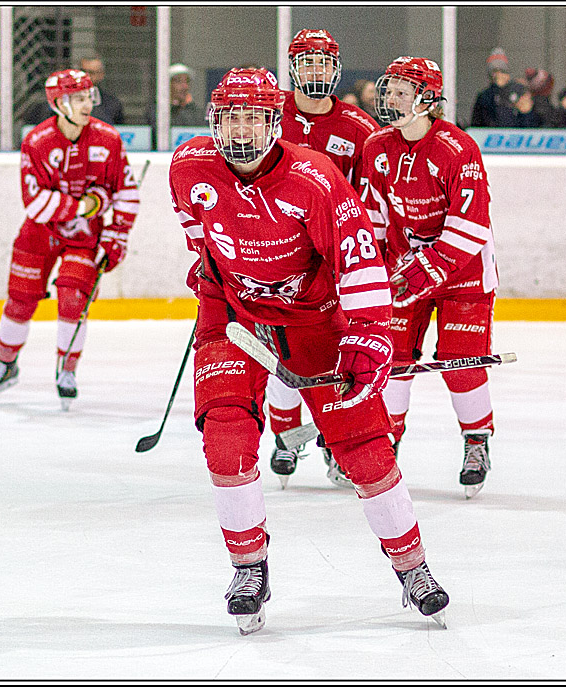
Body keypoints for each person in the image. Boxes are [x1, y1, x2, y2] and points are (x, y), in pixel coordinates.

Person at [168, 66, 449, 634]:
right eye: (231, 117)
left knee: (366, 449)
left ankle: (412, 566)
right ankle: (249, 567)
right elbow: (199, 237)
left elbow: (359, 259)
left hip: (314, 321)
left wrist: (368, 339)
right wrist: (211, 277)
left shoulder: (313, 178)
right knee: (225, 438)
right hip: (233, 316)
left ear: (275, 121)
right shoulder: (188, 167)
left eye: (252, 117)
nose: (241, 130)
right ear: (214, 121)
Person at [361, 56, 498, 499]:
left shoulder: (459, 148)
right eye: (390, 89)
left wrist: (427, 268)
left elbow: (471, 226)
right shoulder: (377, 147)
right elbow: (374, 217)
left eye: (403, 90)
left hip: (465, 274)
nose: (391, 98)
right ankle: (386, 444)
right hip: (405, 269)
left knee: (462, 363)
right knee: (393, 361)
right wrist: (371, 270)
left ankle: (476, 441)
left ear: (428, 98)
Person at [0, 69, 139, 409]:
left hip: (84, 237)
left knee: (73, 299)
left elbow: (127, 192)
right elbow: (35, 204)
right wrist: (89, 204)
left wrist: (116, 237)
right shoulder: (37, 142)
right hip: (39, 233)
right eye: (77, 98)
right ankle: (5, 366)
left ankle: (67, 370)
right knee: (20, 299)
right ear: (58, 103)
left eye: (88, 97)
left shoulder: (109, 139)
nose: (86, 104)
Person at [267, 28, 379, 488]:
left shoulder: (359, 128)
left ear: (336, 70)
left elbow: (372, 200)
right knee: (276, 352)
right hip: (271, 257)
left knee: (335, 355)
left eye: (324, 62)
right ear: (293, 67)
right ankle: (284, 436)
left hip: (332, 262)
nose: (316, 71)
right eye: (308, 62)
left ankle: (335, 442)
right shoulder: (267, 114)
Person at [145, 63, 207, 147]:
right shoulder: (156, 109)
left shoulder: (194, 110)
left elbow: (199, 131)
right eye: (178, 81)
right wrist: (174, 107)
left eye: (187, 81)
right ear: (167, 84)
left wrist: (188, 106)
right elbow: (159, 133)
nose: (185, 86)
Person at [470, 48, 513, 127]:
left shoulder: (516, 92)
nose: (499, 75)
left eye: (502, 71)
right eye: (495, 71)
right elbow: (477, 123)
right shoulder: (484, 97)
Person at [80, 53, 125, 126]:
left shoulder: (112, 103)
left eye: (91, 73)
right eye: (83, 71)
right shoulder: (66, 100)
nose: (86, 76)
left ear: (101, 75)